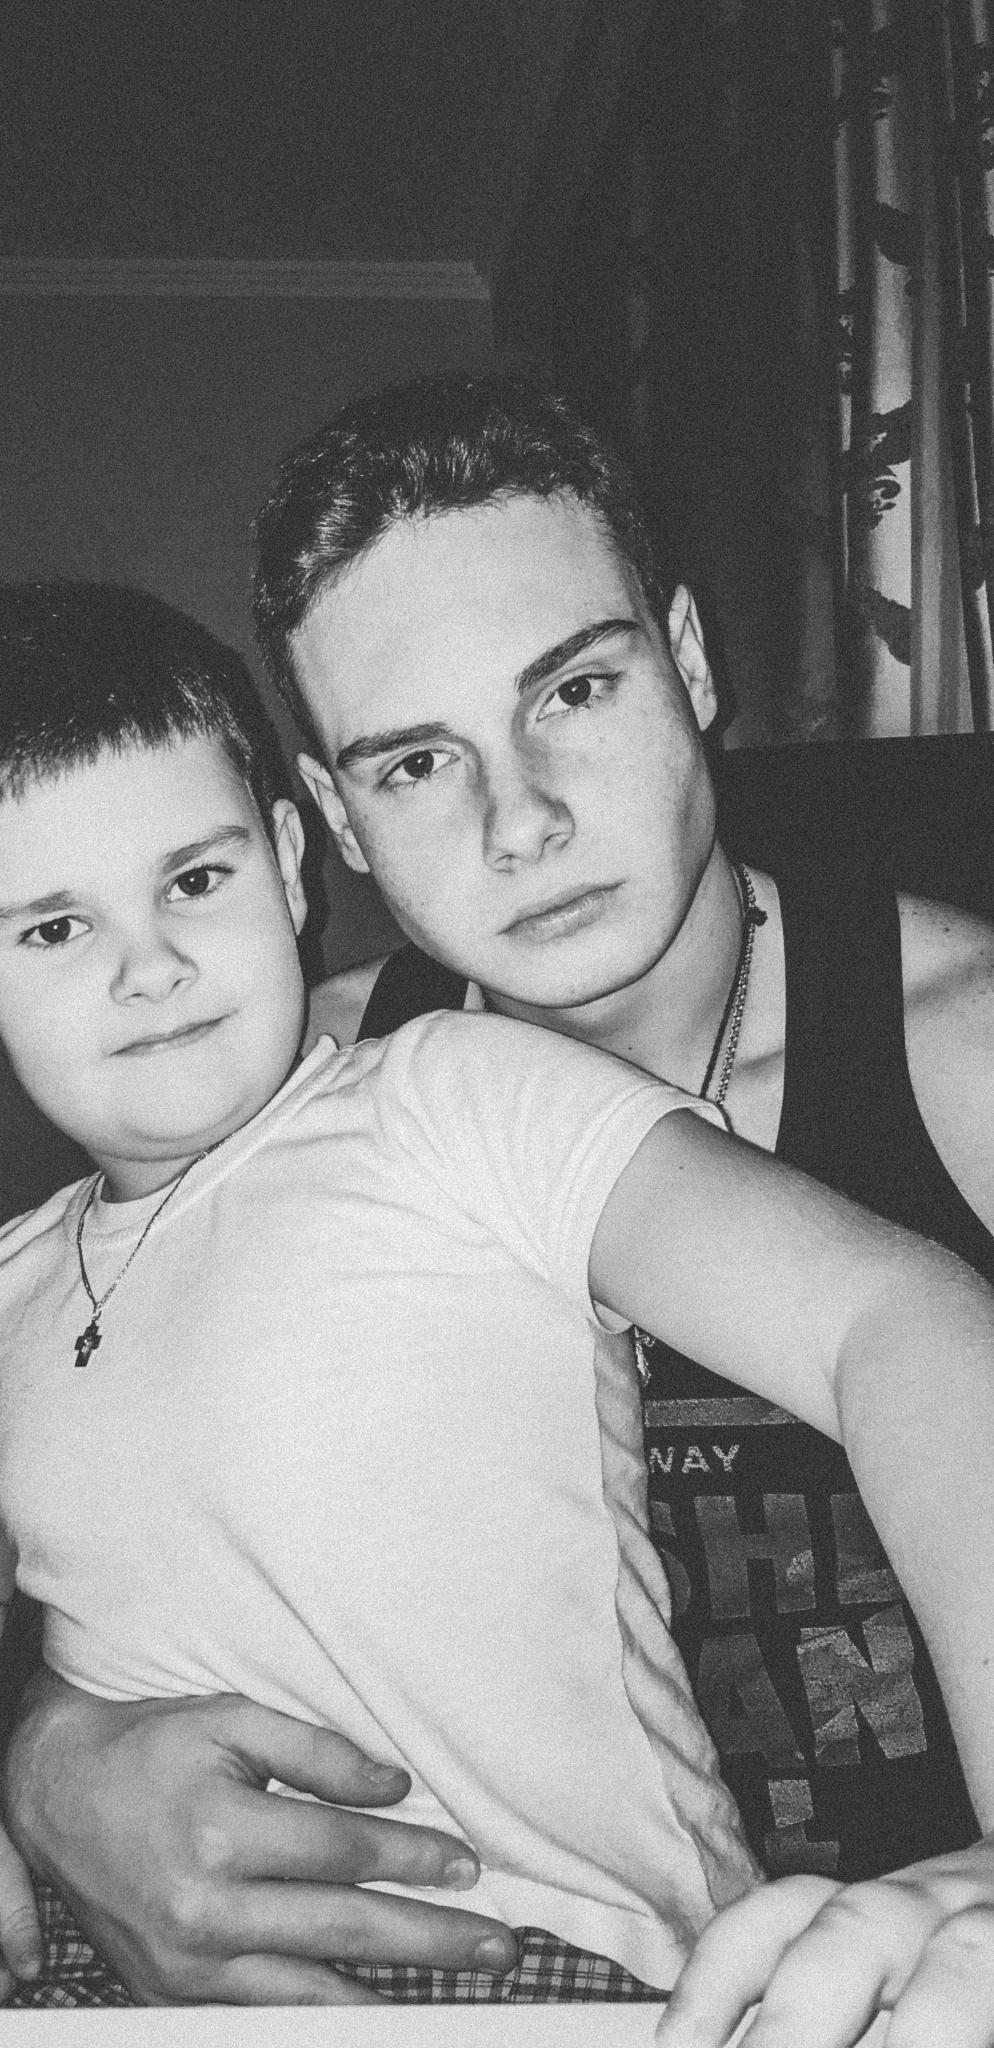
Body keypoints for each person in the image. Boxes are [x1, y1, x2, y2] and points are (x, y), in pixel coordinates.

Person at [4, 378, 994, 2040]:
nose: (520, 819)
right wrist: (47, 1758)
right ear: (330, 823)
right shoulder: (268, 1089)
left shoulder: (963, 1054)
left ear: (688, 663)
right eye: (415, 761)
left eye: (575, 690)